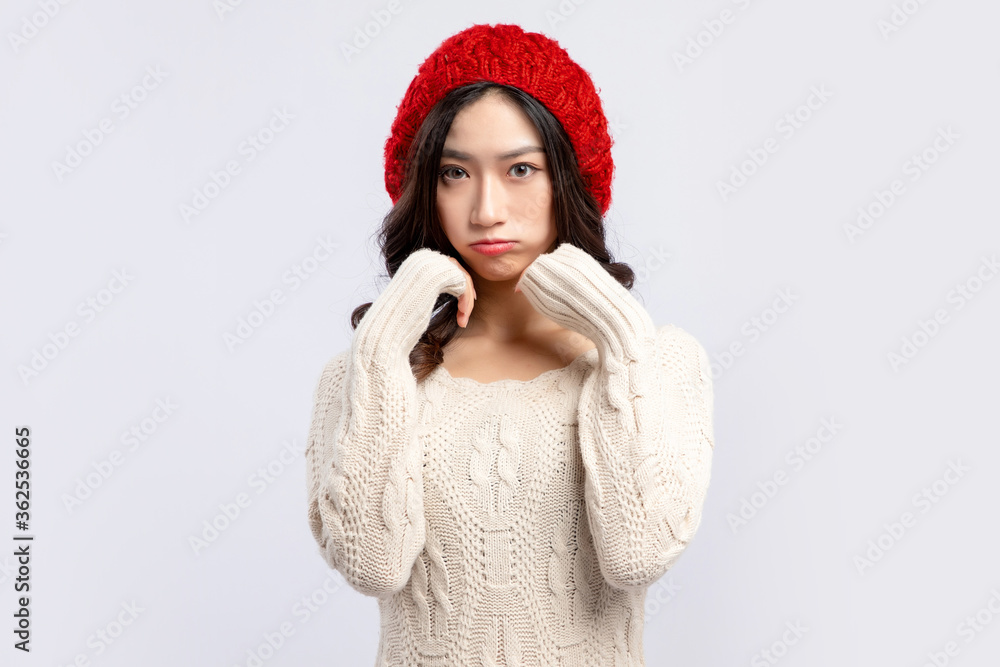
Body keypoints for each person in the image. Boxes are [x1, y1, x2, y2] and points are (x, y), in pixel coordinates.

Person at [305, 23, 715, 666]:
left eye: (521, 169)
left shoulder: (658, 361)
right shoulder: (364, 376)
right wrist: (383, 348)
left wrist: (619, 335)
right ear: (424, 188)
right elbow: (372, 564)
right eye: (455, 173)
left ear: (570, 180)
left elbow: (639, 552)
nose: (487, 209)